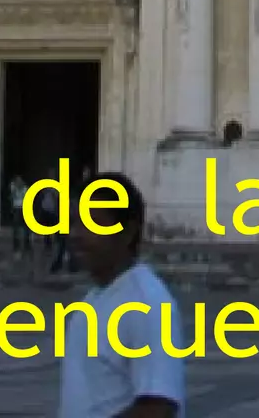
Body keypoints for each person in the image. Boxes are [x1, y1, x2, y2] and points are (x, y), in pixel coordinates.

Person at [57, 173, 183, 418]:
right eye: (73, 222)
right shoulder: (94, 299)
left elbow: (158, 408)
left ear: (128, 233)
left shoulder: (147, 304)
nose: (75, 234)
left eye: (91, 224)